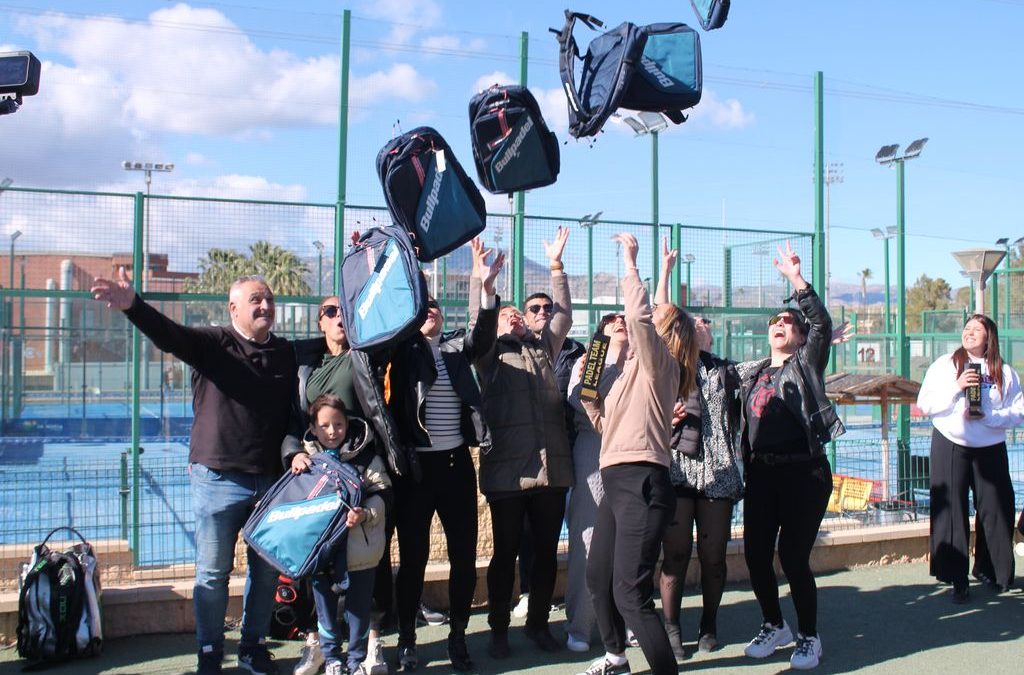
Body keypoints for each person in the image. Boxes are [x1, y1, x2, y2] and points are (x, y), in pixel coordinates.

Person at [91, 270, 296, 675]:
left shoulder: (286, 352)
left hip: (271, 481)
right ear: (233, 307)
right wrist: (133, 305)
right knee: (213, 573)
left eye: (269, 299)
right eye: (255, 299)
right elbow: (169, 335)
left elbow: (296, 405)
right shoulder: (213, 343)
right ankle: (209, 650)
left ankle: (253, 647)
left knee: (267, 570)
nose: (265, 306)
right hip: (217, 480)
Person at [578, 232, 696, 675]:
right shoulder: (630, 374)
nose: (630, 322)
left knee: (630, 591)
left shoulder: (661, 367)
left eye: (651, 317)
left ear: (663, 331)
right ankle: (615, 658)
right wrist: (600, 348)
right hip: (617, 481)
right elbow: (595, 409)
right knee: (598, 578)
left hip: (642, 482)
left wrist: (630, 264)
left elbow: (643, 318)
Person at [386, 238, 503, 672]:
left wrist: (485, 286)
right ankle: (408, 641)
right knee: (413, 559)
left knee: (463, 558)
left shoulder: (456, 348)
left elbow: (483, 333)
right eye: (424, 307)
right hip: (416, 470)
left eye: (436, 307)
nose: (431, 310)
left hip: (456, 467)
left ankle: (457, 637)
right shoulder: (402, 351)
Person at [737, 241, 843, 671]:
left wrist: (797, 282)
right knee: (755, 555)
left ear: (798, 336)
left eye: (787, 321)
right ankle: (773, 624)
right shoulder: (753, 373)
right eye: (774, 320)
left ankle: (809, 637)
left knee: (793, 556)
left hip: (805, 473)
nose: (778, 323)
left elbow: (822, 323)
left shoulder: (806, 364)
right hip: (762, 475)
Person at [469, 227, 574, 658]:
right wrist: (483, 284)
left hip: (553, 471)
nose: (517, 316)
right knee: (505, 553)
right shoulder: (489, 354)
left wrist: (556, 267)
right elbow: (478, 329)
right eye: (508, 313)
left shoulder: (546, 347)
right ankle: (497, 628)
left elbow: (563, 316)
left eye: (522, 313)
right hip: (508, 473)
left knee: (546, 554)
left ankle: (538, 626)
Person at [287, 292, 402, 675]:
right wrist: (294, 453)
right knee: (315, 564)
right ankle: (319, 645)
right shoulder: (305, 364)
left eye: (346, 312)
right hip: (318, 475)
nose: (340, 317)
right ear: (320, 321)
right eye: (331, 312)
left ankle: (370, 644)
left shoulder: (363, 356)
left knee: (369, 560)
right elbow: (292, 419)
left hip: (362, 465)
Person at [654, 242, 742, 660]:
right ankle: (671, 630)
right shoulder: (671, 365)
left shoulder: (726, 369)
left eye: (704, 320)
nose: (699, 324)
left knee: (713, 557)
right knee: (674, 555)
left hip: (719, 474)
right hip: (677, 472)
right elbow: (659, 319)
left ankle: (709, 623)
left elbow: (774, 363)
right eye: (693, 321)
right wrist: (666, 271)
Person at [916, 313, 1023, 601]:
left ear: (990, 337)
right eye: (967, 328)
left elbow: (1019, 410)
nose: (970, 332)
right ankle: (956, 578)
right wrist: (957, 386)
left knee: (997, 508)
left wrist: (991, 417)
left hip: (991, 446)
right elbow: (925, 404)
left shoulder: (1006, 372)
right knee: (952, 511)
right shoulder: (944, 365)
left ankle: (994, 571)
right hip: (951, 443)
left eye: (977, 328)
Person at [288, 394, 392, 675]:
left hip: (360, 551)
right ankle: (332, 659)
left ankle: (356, 660)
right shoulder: (306, 461)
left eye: (338, 424)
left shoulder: (366, 456)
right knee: (324, 610)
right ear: (313, 428)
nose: (332, 431)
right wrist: (296, 460)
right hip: (322, 553)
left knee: (358, 611)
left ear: (348, 424)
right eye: (325, 425)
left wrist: (365, 514)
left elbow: (383, 494)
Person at [514, 291, 587, 619]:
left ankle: (584, 595)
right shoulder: (518, 349)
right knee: (531, 535)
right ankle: (529, 594)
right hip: (535, 458)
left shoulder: (578, 352)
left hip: (576, 452)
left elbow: (588, 398)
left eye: (548, 307)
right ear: (526, 316)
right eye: (535, 308)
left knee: (583, 531)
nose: (543, 312)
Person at [565, 312, 629, 652]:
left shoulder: (643, 358)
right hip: (594, 448)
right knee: (588, 538)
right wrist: (607, 358)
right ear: (601, 332)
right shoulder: (588, 361)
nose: (620, 322)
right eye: (612, 320)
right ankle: (579, 625)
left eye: (625, 319)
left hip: (634, 453)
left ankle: (630, 620)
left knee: (632, 542)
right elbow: (579, 400)